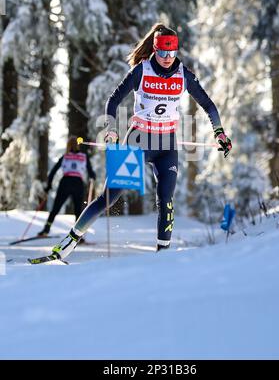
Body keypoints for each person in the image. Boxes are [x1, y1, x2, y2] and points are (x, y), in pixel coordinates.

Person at [50, 22, 232, 260]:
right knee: (109, 196)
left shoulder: (183, 75)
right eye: (163, 52)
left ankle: (162, 256)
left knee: (166, 199)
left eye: (172, 52)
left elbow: (208, 105)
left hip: (166, 145)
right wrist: (112, 129)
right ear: (155, 50)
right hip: (137, 139)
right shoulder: (141, 70)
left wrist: (219, 132)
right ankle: (69, 242)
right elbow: (113, 101)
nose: (168, 58)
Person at [37, 136, 96, 242]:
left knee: (56, 208)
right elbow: (91, 172)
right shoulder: (84, 156)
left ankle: (46, 230)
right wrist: (92, 177)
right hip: (78, 183)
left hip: (66, 182)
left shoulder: (65, 156)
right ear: (78, 145)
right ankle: (78, 236)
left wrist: (48, 186)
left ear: (68, 145)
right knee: (78, 211)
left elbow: (53, 172)